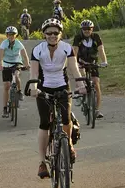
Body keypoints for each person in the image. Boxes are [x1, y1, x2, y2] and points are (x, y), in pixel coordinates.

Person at [26, 17, 87, 179]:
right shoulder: (38, 50)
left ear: (60, 34)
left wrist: (80, 85)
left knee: (66, 120)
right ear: (44, 34)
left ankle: (69, 145)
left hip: (62, 87)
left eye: (56, 32)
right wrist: (33, 88)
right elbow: (33, 72)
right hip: (43, 88)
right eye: (49, 33)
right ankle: (41, 162)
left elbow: (74, 69)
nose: (52, 35)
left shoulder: (67, 48)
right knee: (44, 123)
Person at [72, 19, 108, 119]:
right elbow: (74, 51)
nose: (86, 31)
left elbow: (101, 49)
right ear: (81, 30)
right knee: (81, 76)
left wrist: (104, 61)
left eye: (89, 29)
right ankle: (79, 91)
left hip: (93, 62)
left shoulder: (96, 37)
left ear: (92, 29)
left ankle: (96, 110)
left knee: (96, 84)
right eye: (84, 29)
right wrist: (74, 63)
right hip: (81, 62)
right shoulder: (78, 37)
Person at [0, 26, 30, 118]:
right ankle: (5, 109)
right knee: (6, 86)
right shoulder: (4, 44)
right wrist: (1, 63)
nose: (11, 36)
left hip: (17, 63)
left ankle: (19, 92)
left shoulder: (18, 43)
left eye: (13, 35)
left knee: (16, 75)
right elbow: (1, 55)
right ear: (6, 35)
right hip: (6, 64)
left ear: (16, 35)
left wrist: (27, 64)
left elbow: (24, 54)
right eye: (9, 35)